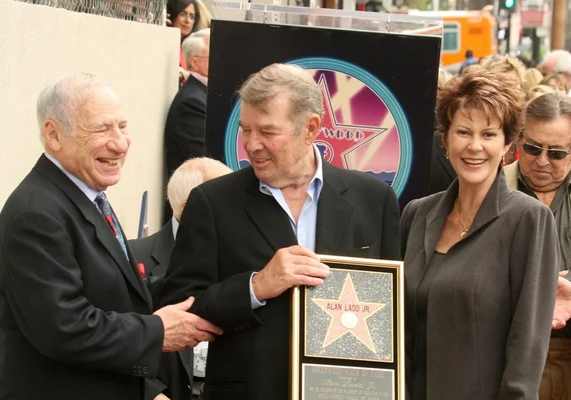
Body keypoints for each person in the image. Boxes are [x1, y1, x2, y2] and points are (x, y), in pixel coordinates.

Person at [157, 63, 401, 400]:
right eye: (245, 130)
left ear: (311, 128)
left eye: (268, 132)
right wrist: (255, 286)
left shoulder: (374, 200)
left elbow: (392, 319)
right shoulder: (213, 203)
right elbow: (179, 309)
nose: (252, 145)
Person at [0, 73, 222, 400]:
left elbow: (117, 294)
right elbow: (64, 329)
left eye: (123, 126)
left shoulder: (87, 196)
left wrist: (218, 292)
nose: (120, 143)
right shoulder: (36, 215)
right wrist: (159, 332)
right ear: (53, 135)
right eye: (101, 128)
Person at [401, 68, 559, 399]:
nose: (474, 146)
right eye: (463, 132)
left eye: (488, 134)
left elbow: (527, 344)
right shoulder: (417, 214)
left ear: (508, 146)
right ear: (444, 139)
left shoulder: (529, 220)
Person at [131, 157, 232, 400]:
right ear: (190, 208)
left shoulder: (253, 261)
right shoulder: (131, 261)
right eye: (228, 201)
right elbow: (113, 341)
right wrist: (151, 393)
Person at [504, 92, 571, 400]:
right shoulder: (487, 189)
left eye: (556, 153)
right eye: (533, 148)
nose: (541, 161)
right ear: (518, 141)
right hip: (507, 355)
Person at [165, 28, 211, 179]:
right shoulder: (192, 102)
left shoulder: (203, 93)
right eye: (214, 55)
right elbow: (204, 159)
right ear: (194, 62)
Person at [167, 0, 201, 83]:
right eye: (183, 14)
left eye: (192, 17)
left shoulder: (190, 47)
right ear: (172, 15)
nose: (188, 21)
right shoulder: (164, 43)